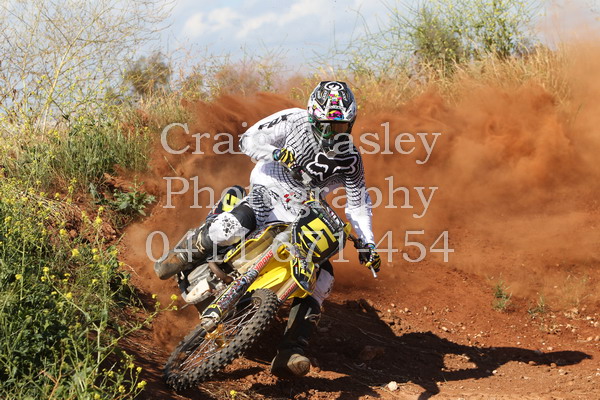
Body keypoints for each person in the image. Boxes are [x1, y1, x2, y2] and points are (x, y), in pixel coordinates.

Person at [155, 81, 381, 379]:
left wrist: (367, 243)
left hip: (304, 211)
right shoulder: (294, 120)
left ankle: (290, 351)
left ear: (350, 124)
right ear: (313, 117)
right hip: (269, 189)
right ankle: (186, 252)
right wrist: (276, 154)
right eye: (325, 126)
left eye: (340, 127)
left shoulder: (350, 158)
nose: (332, 134)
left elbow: (359, 203)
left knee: (323, 279)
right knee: (230, 227)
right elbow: (249, 139)